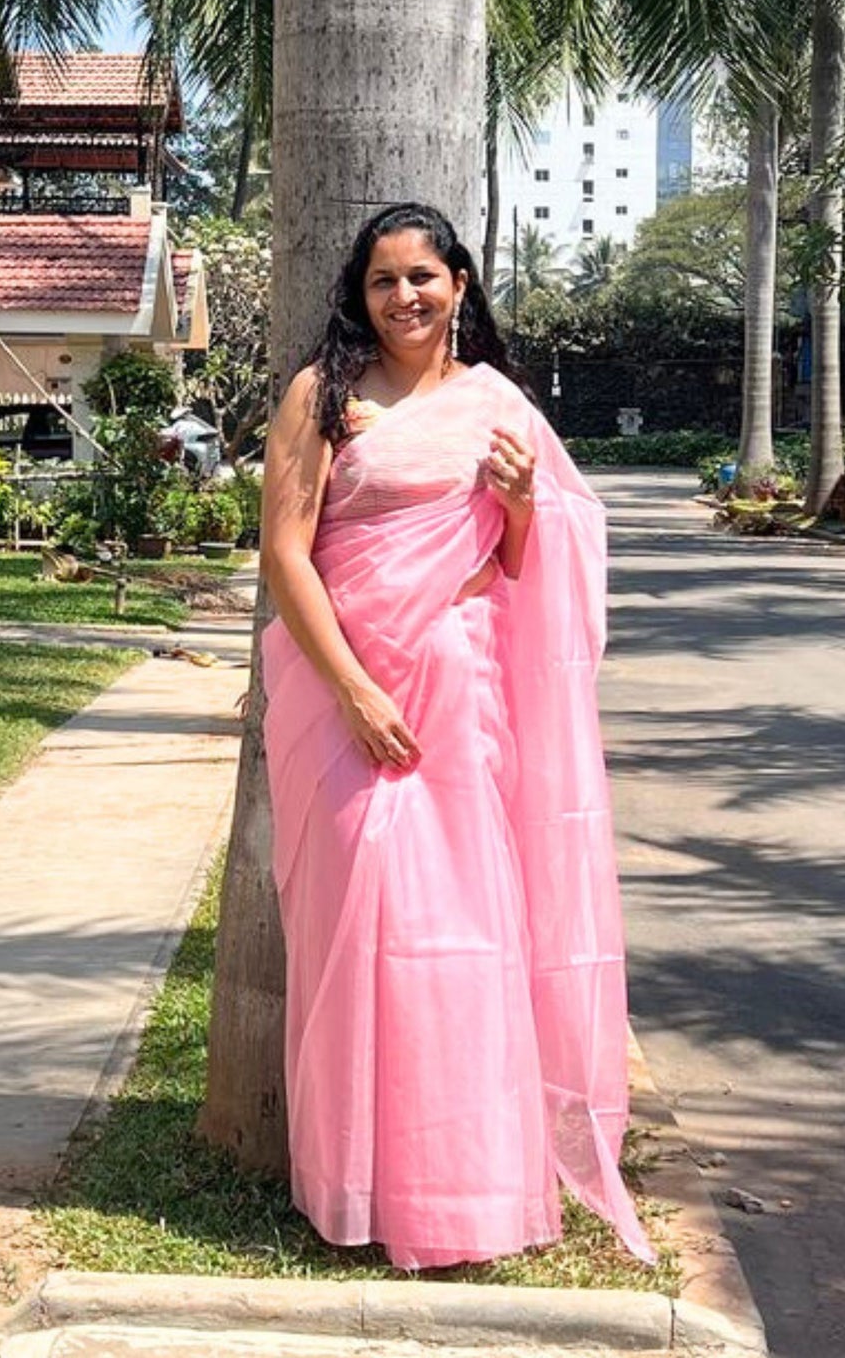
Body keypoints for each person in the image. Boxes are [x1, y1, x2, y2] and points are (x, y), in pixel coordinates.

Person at [259, 200, 654, 1274]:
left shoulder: (495, 404)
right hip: (349, 703)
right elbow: (286, 556)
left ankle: (463, 1188)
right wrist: (351, 690)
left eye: (422, 276)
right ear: (361, 291)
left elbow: (524, 560)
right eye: (383, 280)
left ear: (459, 284)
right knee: (358, 928)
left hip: (462, 702)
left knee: (463, 938)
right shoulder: (321, 396)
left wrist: (523, 507)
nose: (404, 297)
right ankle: (357, 1182)